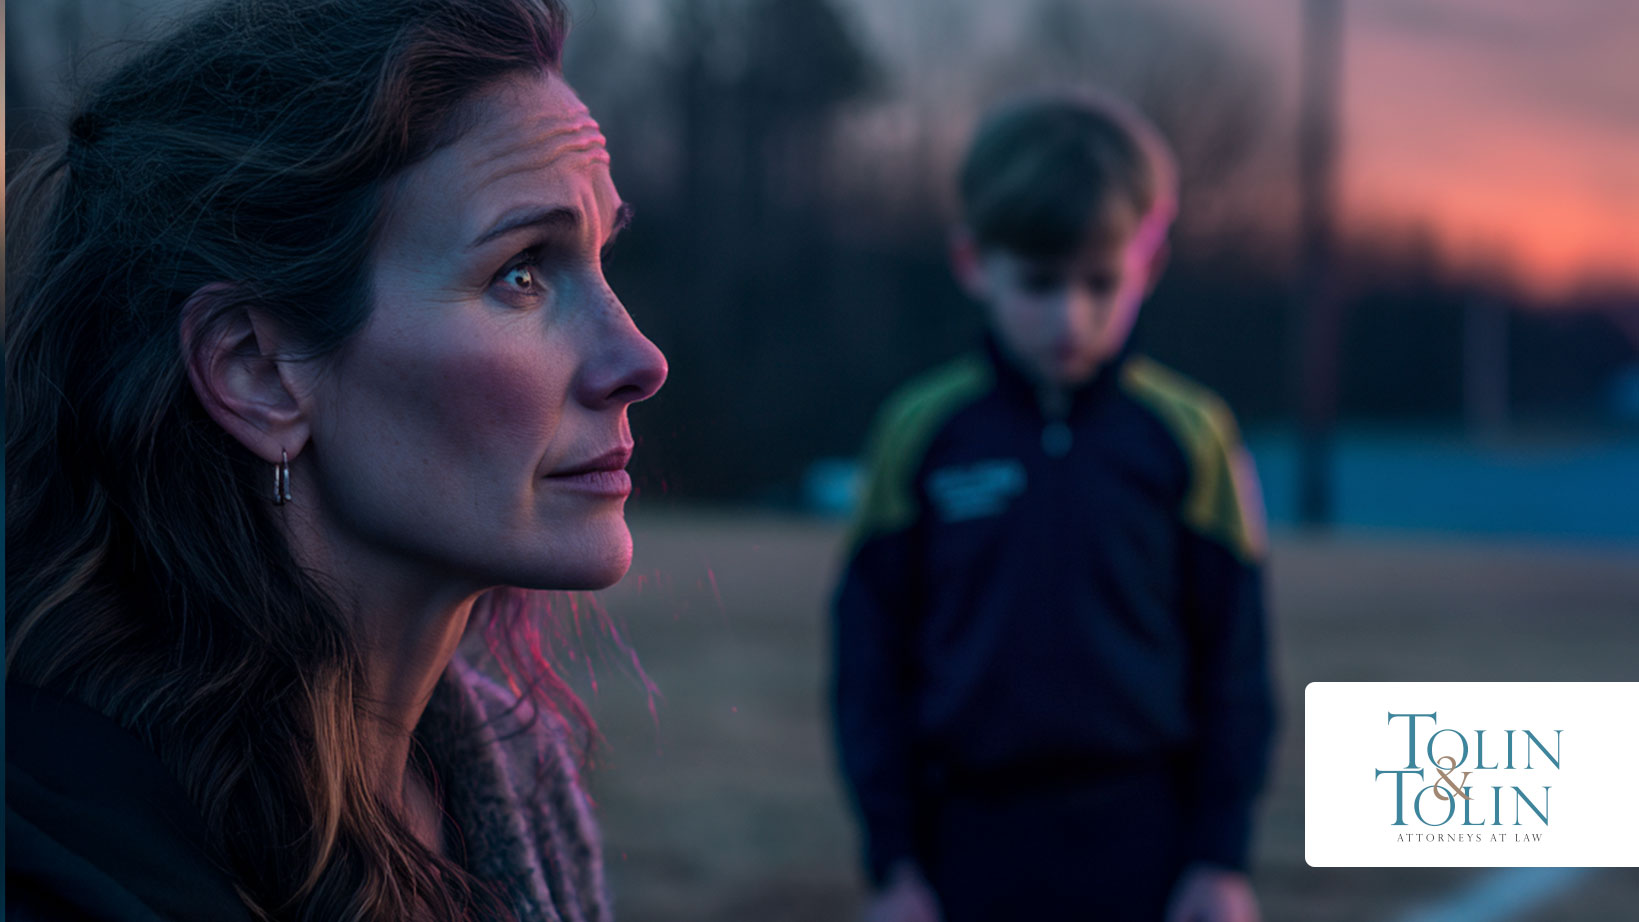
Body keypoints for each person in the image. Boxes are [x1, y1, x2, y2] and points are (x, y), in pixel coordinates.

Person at [4, 0, 666, 919]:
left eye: (600, 259)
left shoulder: (514, 783)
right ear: (257, 371)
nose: (639, 360)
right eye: (521, 272)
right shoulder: (57, 856)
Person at [831, 90, 1278, 922]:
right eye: (1038, 283)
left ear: (1148, 260)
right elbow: (867, 662)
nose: (1069, 316)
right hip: (964, 841)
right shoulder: (920, 430)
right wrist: (891, 864)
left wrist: (1220, 858)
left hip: (1148, 840)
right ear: (973, 262)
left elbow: (1235, 663)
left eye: (1100, 283)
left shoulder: (1190, 434)